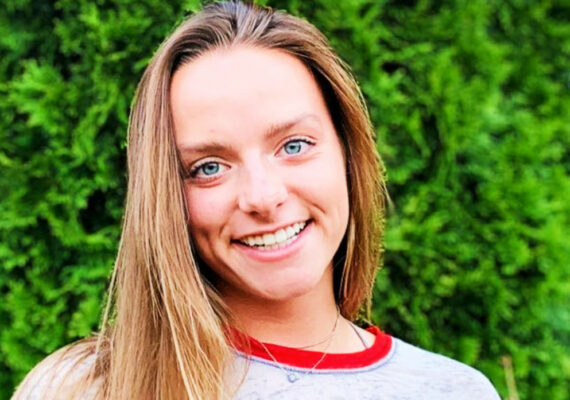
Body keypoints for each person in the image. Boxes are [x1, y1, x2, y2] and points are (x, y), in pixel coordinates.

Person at [12, 2, 500, 399]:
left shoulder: (453, 392)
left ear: (348, 155)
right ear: (166, 198)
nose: (263, 197)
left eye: (294, 145)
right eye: (209, 167)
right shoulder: (84, 389)